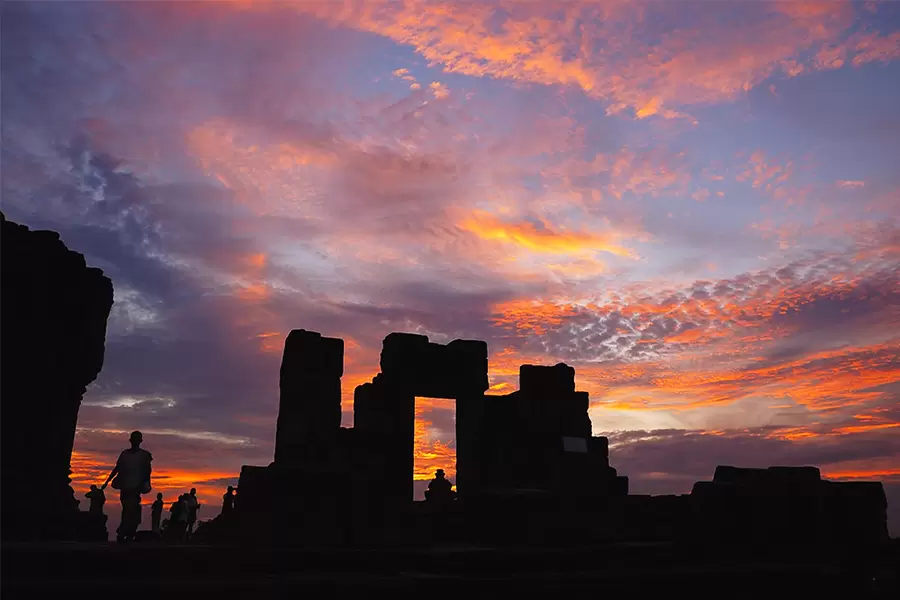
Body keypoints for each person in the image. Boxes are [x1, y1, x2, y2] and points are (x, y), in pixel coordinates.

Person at [102, 431, 152, 543]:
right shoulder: (125, 454)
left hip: (136, 488)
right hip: (125, 486)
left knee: (132, 510)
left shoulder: (144, 455)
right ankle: (124, 532)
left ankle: (127, 532)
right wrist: (107, 481)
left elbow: (147, 472)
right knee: (127, 510)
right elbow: (117, 468)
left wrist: (142, 484)